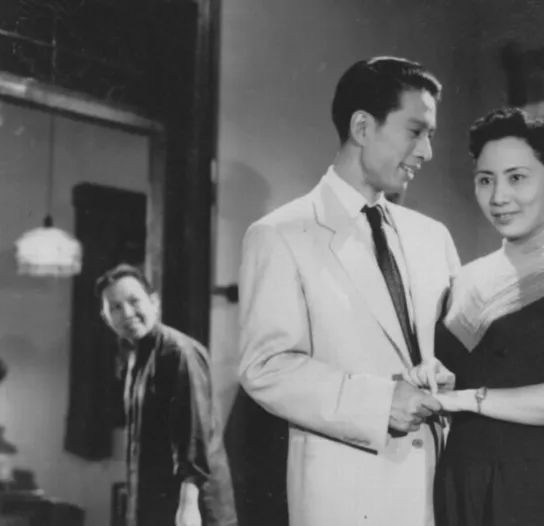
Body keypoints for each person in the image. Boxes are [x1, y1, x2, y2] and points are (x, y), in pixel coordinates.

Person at [238, 56, 460, 526]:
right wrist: (380, 402)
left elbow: (456, 350)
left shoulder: (433, 237)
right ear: (362, 127)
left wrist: (449, 372)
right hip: (345, 502)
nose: (426, 152)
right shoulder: (280, 234)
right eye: (415, 131)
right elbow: (265, 367)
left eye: (430, 135)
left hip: (440, 498)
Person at [405, 107, 544, 525]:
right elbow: (474, 370)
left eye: (517, 177)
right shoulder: (464, 278)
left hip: (541, 478)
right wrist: (436, 377)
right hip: (461, 476)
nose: (499, 196)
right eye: (486, 180)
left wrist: (467, 398)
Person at [96, 264, 236, 526]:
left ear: (154, 302)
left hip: (192, 508)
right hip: (159, 504)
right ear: (106, 318)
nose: (127, 313)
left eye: (134, 301)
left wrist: (188, 508)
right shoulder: (136, 356)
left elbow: (193, 437)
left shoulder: (179, 353)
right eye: (115, 307)